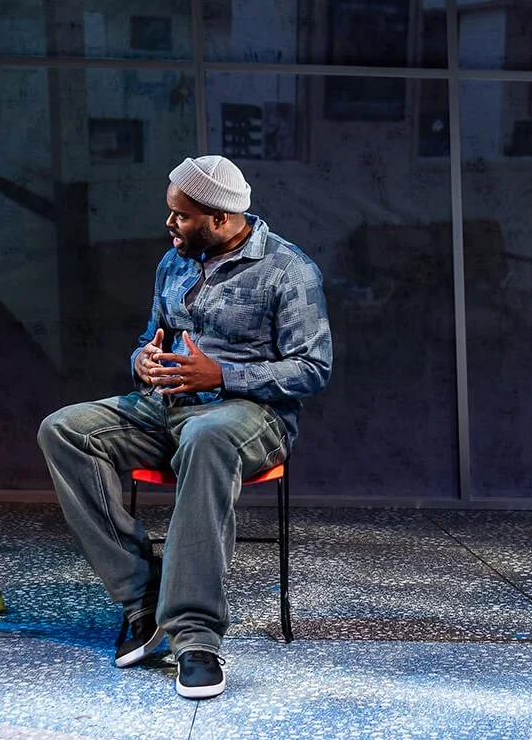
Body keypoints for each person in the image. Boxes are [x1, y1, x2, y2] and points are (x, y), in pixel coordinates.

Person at [38, 156, 332, 700]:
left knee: (206, 437)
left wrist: (222, 374)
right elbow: (152, 335)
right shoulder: (174, 261)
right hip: (165, 405)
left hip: (249, 414)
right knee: (64, 429)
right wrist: (143, 362)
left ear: (220, 218)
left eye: (181, 215)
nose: (169, 223)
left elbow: (313, 368)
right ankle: (144, 597)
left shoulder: (287, 269)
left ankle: (195, 636)